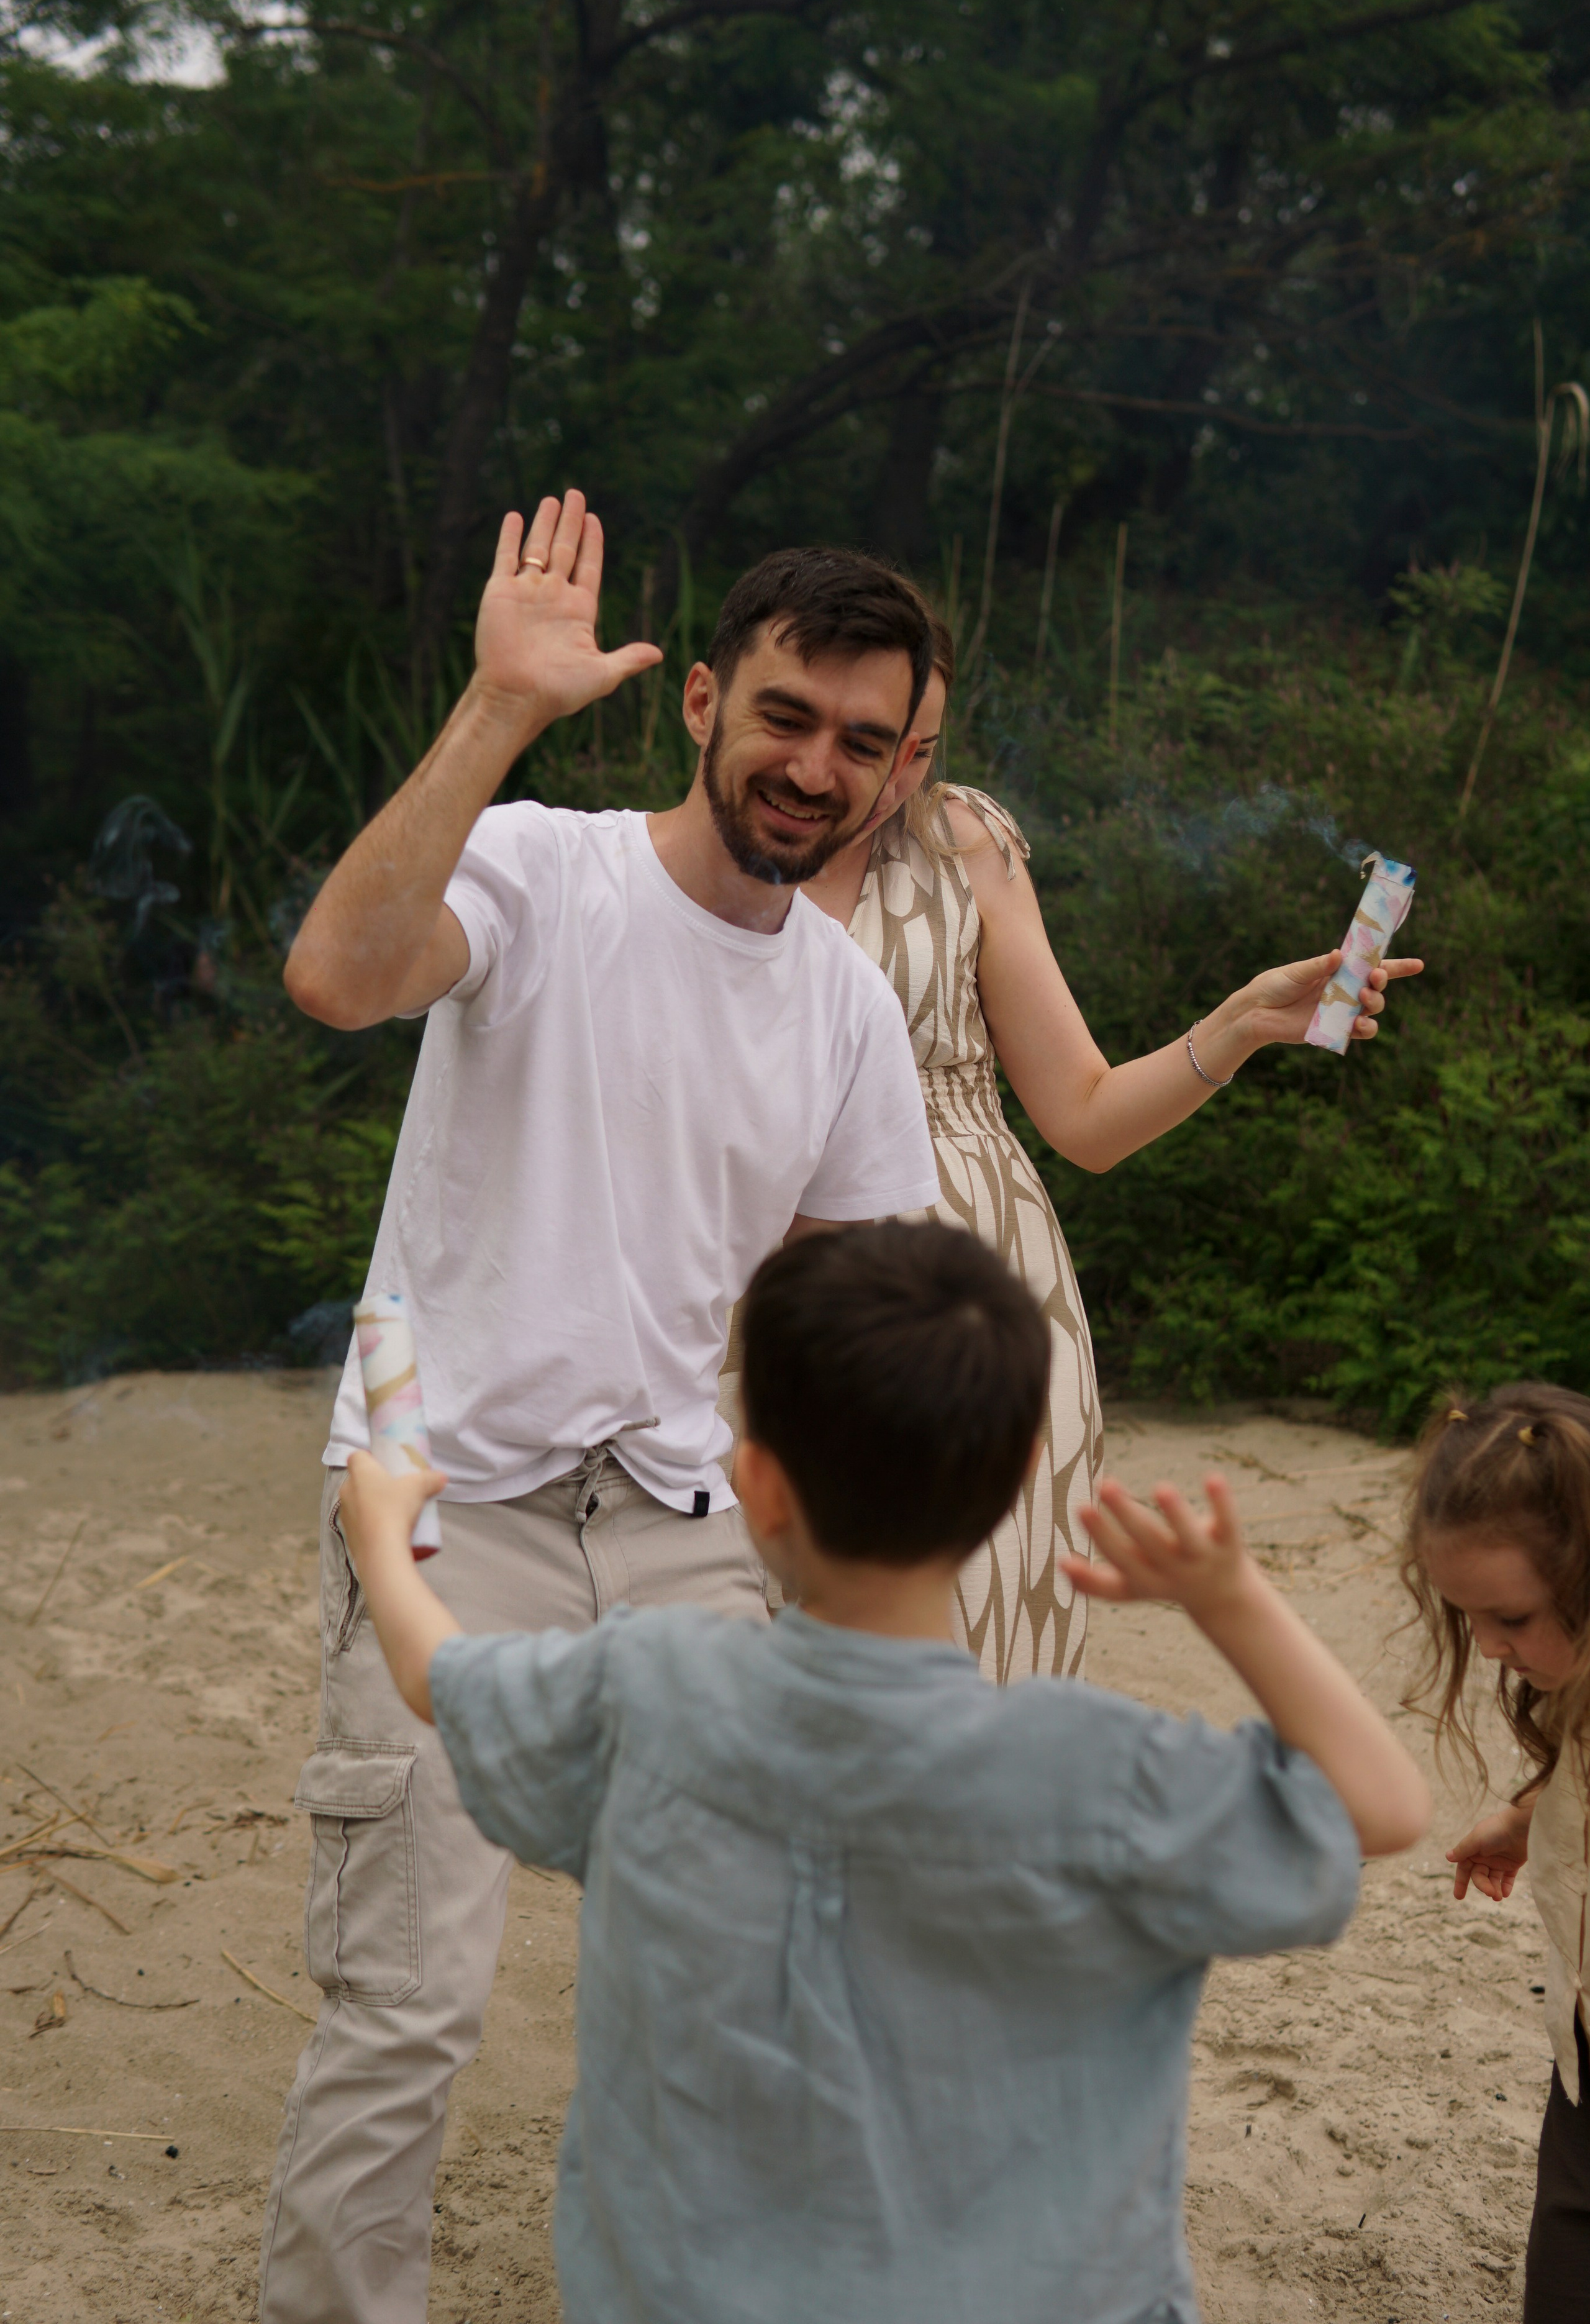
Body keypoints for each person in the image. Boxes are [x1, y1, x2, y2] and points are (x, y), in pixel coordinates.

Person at [261, 491, 944, 2323]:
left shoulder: (850, 1013)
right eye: (789, 717)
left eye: (864, 744)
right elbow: (333, 977)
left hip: (694, 1546)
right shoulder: (547, 870)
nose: (817, 768)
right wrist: (495, 712)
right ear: (704, 700)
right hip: (443, 1505)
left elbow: (841, 1313)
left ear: (900, 771)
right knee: (410, 2011)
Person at [337, 1217, 1429, 2324]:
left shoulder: (649, 1695)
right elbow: (1384, 1806)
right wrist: (1228, 1598)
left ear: (759, 1488)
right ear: (1013, 1491)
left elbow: (442, 1680)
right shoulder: (1099, 1777)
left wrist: (384, 1536)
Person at [801, 610, 1424, 1682]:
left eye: (925, 747)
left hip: (986, 1299)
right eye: (875, 740)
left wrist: (1238, 1028)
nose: (902, 775)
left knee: (984, 1661)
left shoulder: (964, 843)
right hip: (775, 1296)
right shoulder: (695, 861)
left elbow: (1083, 1117)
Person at [1401, 1382, 1590, 2324]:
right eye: (1466, 1616)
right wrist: (1530, 1815)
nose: (1487, 1646)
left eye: (1510, 1620)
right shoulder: (1577, 1692)